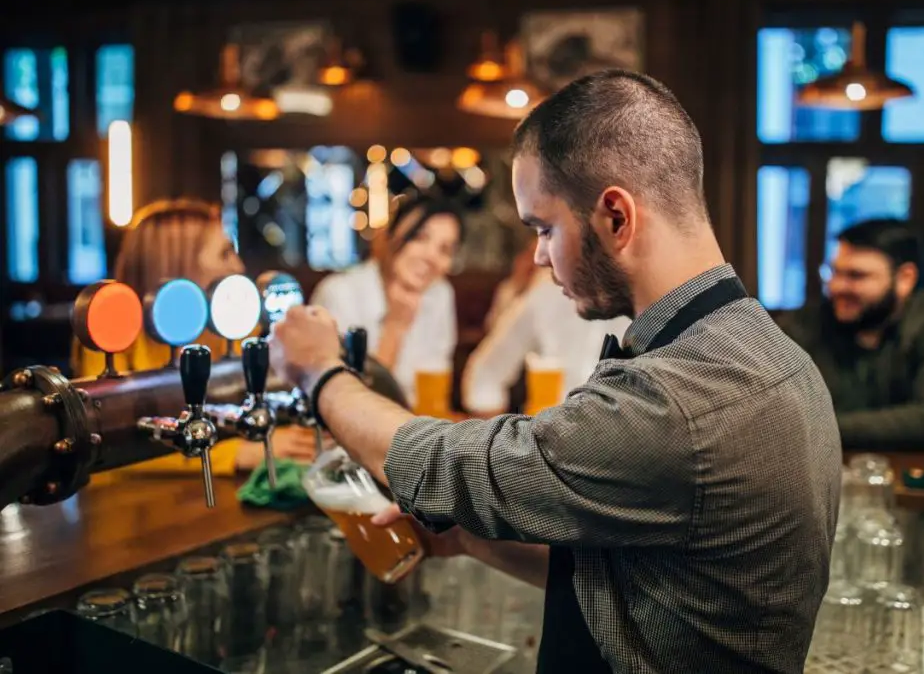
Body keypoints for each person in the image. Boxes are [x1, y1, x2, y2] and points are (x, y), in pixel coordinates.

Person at [270, 70, 841, 673]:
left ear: (616, 216)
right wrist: (470, 538)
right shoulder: (769, 353)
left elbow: (453, 462)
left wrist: (323, 374)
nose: (539, 255)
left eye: (545, 228)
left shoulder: (679, 397)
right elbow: (632, 588)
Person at [72, 198, 318, 475]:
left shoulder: (236, 327)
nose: (238, 266)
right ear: (177, 265)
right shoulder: (110, 334)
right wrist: (236, 453)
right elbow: (111, 443)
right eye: (225, 253)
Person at [780, 219, 924, 452]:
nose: (836, 287)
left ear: (905, 278)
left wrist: (819, 427)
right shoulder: (806, 324)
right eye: (834, 272)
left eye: (856, 276)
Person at [310, 197, 463, 406]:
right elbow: (351, 404)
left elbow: (435, 388)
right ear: (387, 235)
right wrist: (395, 327)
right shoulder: (339, 292)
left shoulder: (440, 294)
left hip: (415, 426)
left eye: (445, 250)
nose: (431, 256)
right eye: (419, 238)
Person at [463, 269, 629, 414]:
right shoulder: (547, 291)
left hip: (623, 446)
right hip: (548, 440)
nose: (540, 256)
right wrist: (494, 443)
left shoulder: (649, 297)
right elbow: (486, 373)